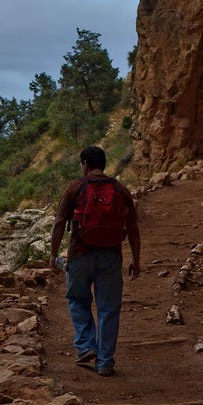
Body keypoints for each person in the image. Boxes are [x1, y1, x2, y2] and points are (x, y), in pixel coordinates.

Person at [49, 146, 140, 377]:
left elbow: (60, 222)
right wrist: (136, 259)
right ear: (104, 164)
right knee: (108, 309)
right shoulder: (119, 189)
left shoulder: (76, 187)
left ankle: (87, 345)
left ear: (85, 165)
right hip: (111, 256)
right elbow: (132, 227)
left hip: (80, 255)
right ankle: (105, 362)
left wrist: (53, 254)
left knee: (77, 300)